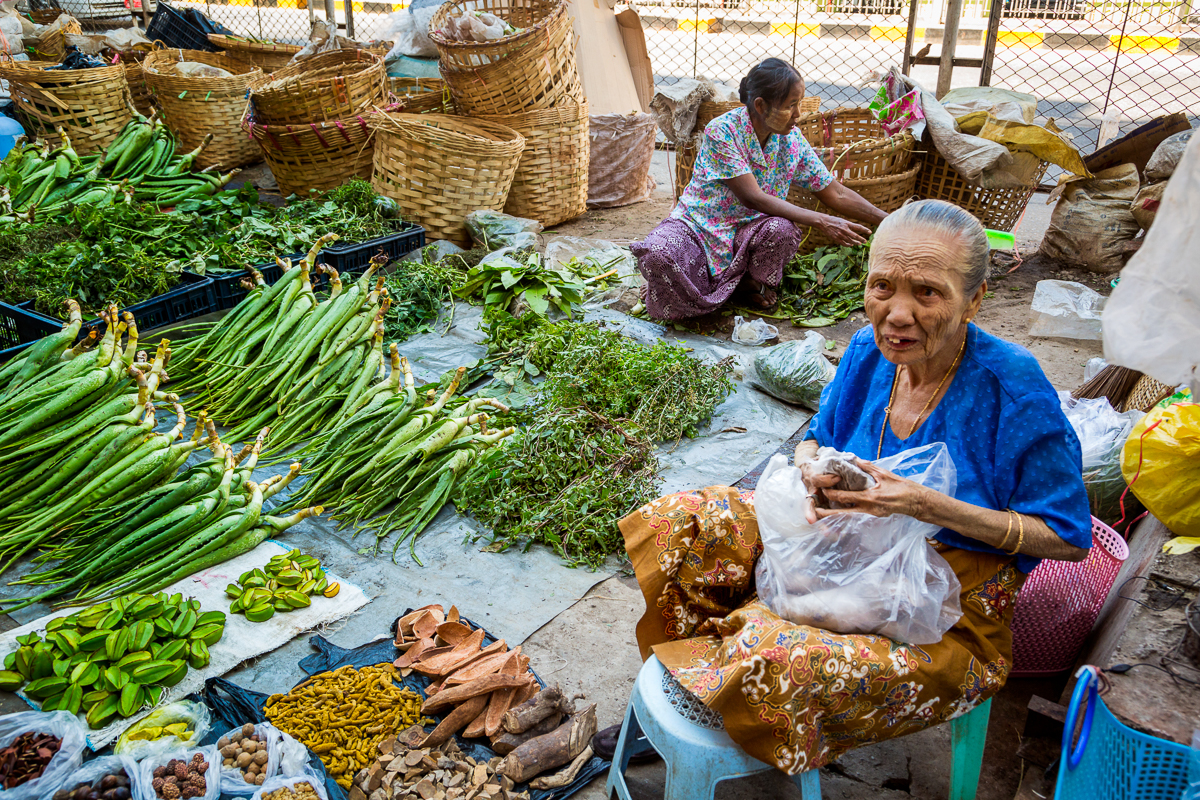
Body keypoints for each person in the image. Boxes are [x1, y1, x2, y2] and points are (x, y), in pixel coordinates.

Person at [605, 199, 1093, 775]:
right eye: (882, 285)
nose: (897, 314)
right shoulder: (868, 352)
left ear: (976, 299)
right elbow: (817, 438)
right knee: (687, 523)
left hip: (946, 604)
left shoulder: (1014, 390)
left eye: (928, 293)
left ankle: (733, 691)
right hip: (845, 544)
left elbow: (1066, 536)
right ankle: (703, 687)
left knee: (777, 652)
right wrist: (812, 468)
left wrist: (925, 505)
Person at [630, 58, 887, 321]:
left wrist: (889, 221)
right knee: (658, 255)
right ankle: (731, 287)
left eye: (798, 104)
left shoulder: (791, 138)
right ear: (761, 105)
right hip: (699, 228)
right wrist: (821, 220)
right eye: (791, 105)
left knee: (782, 230)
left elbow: (836, 192)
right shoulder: (722, 131)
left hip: (749, 236)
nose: (798, 114)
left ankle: (732, 285)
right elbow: (752, 197)